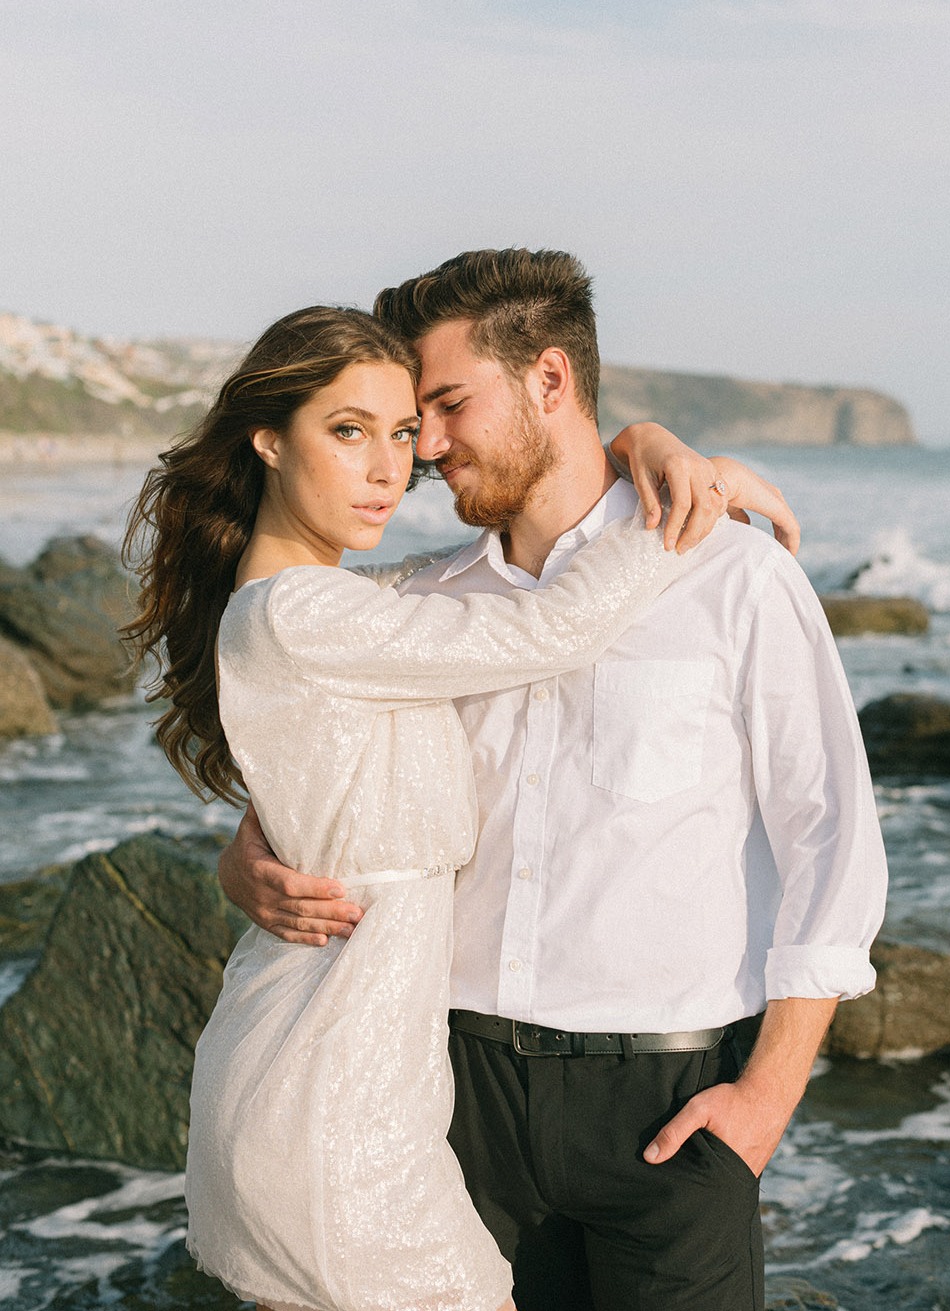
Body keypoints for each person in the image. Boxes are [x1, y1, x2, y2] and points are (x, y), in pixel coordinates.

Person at [222, 250, 888, 1311]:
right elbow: (324, 760)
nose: (425, 451)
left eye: (442, 407)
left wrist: (764, 1098)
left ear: (547, 382)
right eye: (405, 423)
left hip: (666, 1106)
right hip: (452, 1097)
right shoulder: (424, 599)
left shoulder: (734, 577)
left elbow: (831, 841)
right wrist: (246, 853)